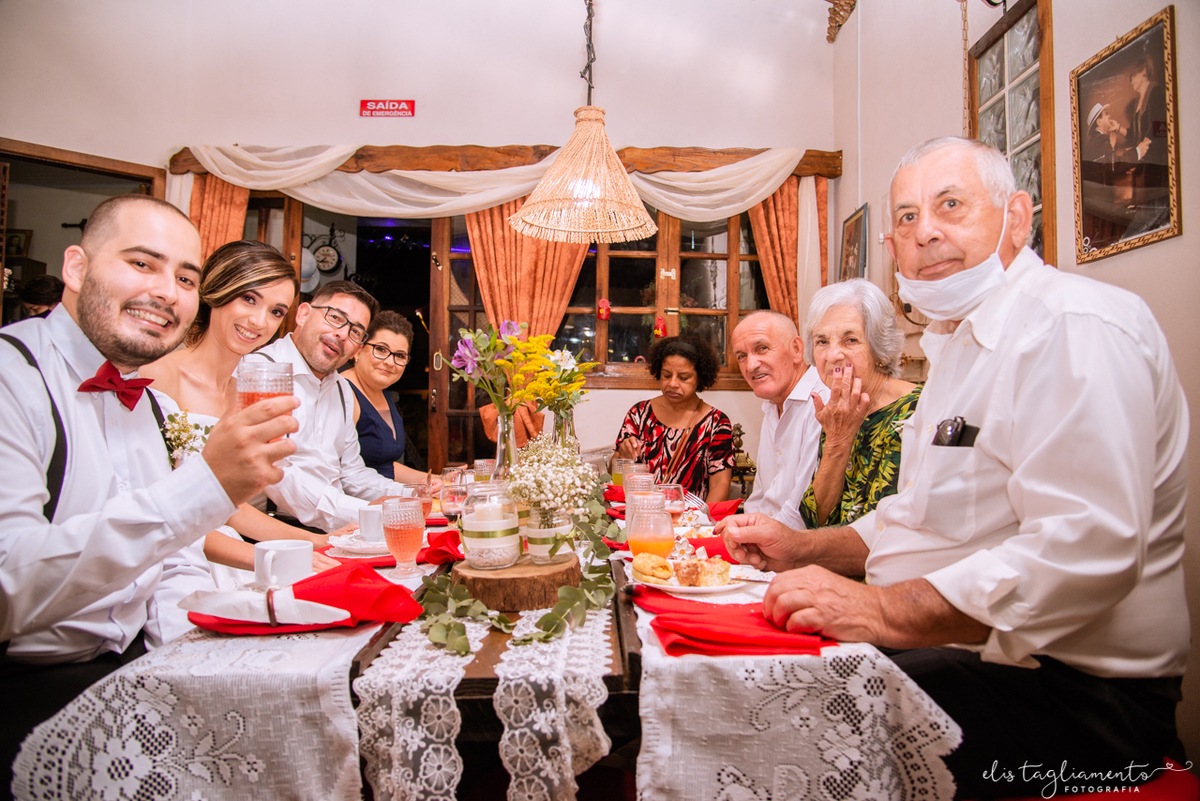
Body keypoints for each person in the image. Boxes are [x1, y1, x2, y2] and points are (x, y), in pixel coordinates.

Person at [719, 138, 1188, 797]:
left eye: (950, 205)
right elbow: (909, 517)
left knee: (783, 716)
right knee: (752, 663)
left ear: (1017, 218)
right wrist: (800, 547)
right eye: (907, 217)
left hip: (1075, 697)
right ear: (892, 246)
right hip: (963, 655)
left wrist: (883, 610)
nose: (926, 230)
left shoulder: (1072, 324)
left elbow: (1087, 548)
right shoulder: (954, 348)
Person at [0, 195, 297, 791]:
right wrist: (207, 486)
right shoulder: (13, 377)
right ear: (78, 268)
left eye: (184, 277)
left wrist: (201, 665)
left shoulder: (154, 409)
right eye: (143, 264)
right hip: (24, 695)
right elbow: (10, 586)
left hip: (135, 670)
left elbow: (172, 569)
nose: (167, 292)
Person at [140, 240, 341, 586]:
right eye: (249, 299)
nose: (259, 321)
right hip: (169, 567)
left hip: (231, 559)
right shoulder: (157, 377)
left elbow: (227, 506)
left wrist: (319, 541)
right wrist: (274, 559)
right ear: (218, 290)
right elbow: (156, 514)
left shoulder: (243, 394)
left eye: (276, 311)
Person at [247, 279, 413, 532]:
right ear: (303, 314)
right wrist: (362, 513)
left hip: (336, 527)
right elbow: (276, 476)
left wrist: (410, 495)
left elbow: (352, 472)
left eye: (356, 332)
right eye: (335, 318)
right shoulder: (262, 371)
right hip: (277, 532)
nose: (343, 334)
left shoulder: (341, 389)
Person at [797, 280, 921, 528]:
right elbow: (815, 517)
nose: (833, 355)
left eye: (850, 340)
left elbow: (885, 528)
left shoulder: (916, 411)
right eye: (822, 342)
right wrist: (836, 438)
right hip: (834, 561)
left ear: (879, 348)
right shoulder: (838, 410)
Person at [732, 310, 828, 530]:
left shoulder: (822, 401)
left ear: (796, 349)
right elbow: (759, 499)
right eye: (741, 356)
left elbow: (802, 511)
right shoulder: (773, 405)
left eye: (762, 348)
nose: (750, 365)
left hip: (798, 548)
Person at [612, 335, 734, 502]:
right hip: (642, 514)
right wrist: (623, 455)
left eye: (683, 378)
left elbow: (720, 484)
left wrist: (702, 523)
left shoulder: (717, 423)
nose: (673, 383)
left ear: (700, 377)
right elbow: (614, 471)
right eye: (666, 375)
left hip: (692, 521)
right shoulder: (639, 414)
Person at [343, 309, 441, 487]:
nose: (389, 361)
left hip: (381, 500)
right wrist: (407, 494)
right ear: (358, 350)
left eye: (399, 355)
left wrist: (437, 480)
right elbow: (341, 475)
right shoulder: (343, 393)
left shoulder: (382, 393)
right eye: (381, 349)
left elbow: (385, 467)